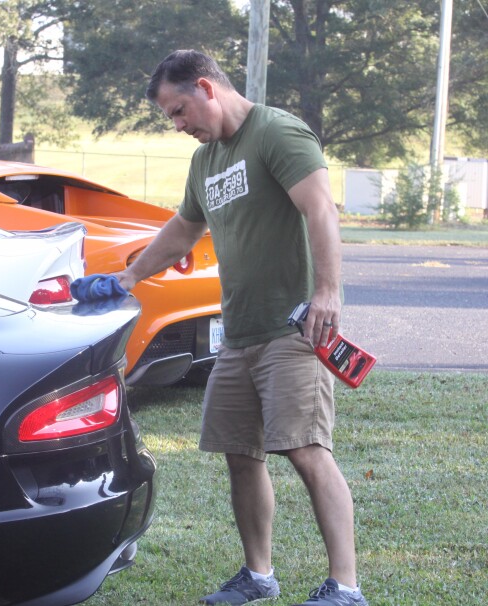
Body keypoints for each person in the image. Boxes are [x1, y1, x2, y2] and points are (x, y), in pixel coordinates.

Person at [113, 50, 368, 606]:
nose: (180, 127)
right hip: (240, 334)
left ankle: (346, 587)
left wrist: (326, 292)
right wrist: (129, 276)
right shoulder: (205, 162)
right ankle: (259, 575)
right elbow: (182, 230)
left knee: (306, 448)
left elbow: (320, 209)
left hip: (294, 329)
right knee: (239, 452)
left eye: (180, 111)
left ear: (206, 87)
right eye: (171, 118)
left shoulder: (276, 132)